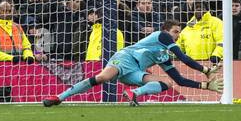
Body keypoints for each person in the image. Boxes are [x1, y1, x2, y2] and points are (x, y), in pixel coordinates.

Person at [45, 20, 222, 106]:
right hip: (125, 57)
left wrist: (206, 85)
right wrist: (205, 69)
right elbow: (183, 57)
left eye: (178, 33)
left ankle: (134, 93)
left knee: (167, 82)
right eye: (175, 32)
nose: (177, 36)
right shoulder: (162, 36)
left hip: (135, 70)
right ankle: (58, 98)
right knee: (102, 78)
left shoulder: (164, 56)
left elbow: (180, 80)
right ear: (166, 31)